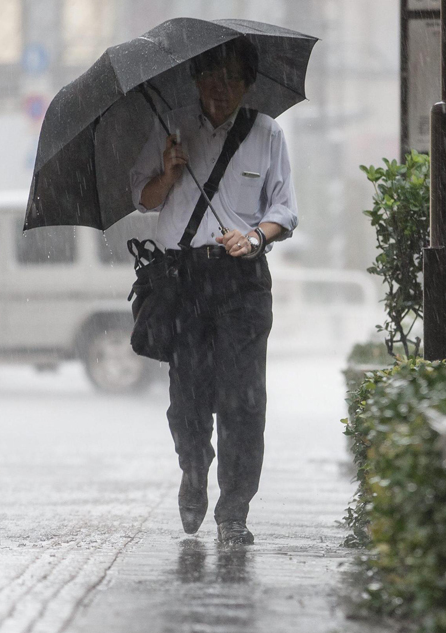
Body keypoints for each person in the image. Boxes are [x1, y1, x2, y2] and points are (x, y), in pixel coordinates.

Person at [128, 37, 297, 545]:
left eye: (231, 82)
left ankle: (234, 510)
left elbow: (285, 210)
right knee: (188, 397)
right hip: (184, 280)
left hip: (242, 282)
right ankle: (194, 470)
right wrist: (169, 172)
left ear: (248, 85)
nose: (219, 92)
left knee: (244, 398)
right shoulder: (171, 125)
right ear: (197, 80)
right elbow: (141, 197)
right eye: (211, 81)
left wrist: (252, 237)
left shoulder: (267, 134)